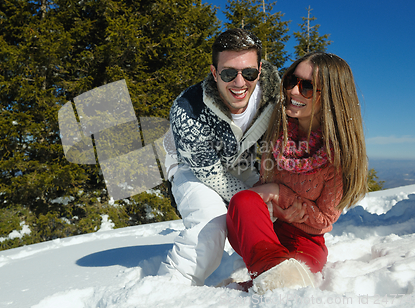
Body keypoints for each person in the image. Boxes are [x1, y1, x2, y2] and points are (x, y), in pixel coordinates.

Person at [225, 52, 369, 293]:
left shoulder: (337, 156)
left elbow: (325, 218)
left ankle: (268, 277)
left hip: (304, 241)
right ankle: (272, 273)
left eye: (308, 87)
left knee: (294, 272)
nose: (293, 91)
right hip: (260, 229)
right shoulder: (277, 131)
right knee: (243, 200)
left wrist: (280, 194)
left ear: (332, 98)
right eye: (292, 80)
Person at [157, 28, 280, 285]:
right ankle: (170, 288)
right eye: (227, 73)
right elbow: (210, 174)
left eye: (248, 73)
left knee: (275, 216)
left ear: (260, 70)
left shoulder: (275, 94)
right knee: (211, 227)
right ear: (214, 73)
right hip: (193, 167)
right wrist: (252, 198)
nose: (239, 83)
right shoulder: (188, 109)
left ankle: (273, 269)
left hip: (242, 161)